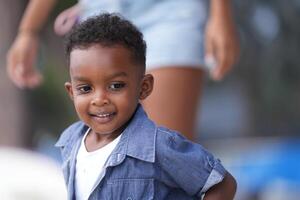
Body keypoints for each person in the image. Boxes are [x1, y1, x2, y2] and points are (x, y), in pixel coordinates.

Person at [55, 13, 236, 200]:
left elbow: (223, 184)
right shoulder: (69, 142)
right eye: (85, 88)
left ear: (144, 87)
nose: (99, 99)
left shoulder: (158, 146)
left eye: (116, 86)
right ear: (72, 92)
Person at [6, 0, 239, 140]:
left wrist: (220, 14)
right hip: (100, 12)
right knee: (107, 159)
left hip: (168, 11)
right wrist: (29, 30)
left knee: (166, 156)